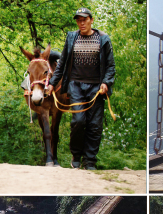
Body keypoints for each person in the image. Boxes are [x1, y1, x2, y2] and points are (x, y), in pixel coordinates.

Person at [46, 7, 116, 170]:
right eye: (78, 20)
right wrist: (51, 83)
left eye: (84, 19)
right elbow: (62, 64)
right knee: (78, 121)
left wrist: (106, 82)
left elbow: (111, 66)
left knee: (95, 125)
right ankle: (76, 155)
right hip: (76, 86)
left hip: (96, 88)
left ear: (91, 20)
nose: (81, 23)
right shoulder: (71, 38)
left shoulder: (103, 39)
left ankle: (90, 160)